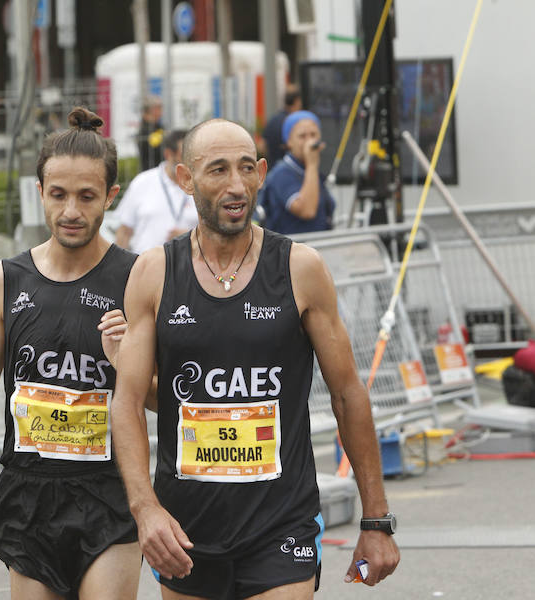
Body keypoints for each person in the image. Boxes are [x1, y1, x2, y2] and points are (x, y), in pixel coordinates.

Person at [111, 118, 399, 599]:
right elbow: (128, 401)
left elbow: (348, 394)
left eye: (246, 169)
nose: (236, 185)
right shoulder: (155, 271)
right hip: (187, 528)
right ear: (185, 179)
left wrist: (376, 519)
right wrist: (146, 509)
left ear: (262, 172)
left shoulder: (300, 268)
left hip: (280, 523)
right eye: (218, 170)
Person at [0, 107, 142, 599]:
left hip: (109, 493)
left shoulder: (138, 279)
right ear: (39, 194)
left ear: (110, 197)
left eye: (86, 196)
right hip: (28, 494)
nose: (71, 210)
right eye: (58, 195)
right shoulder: (5, 282)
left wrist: (126, 363)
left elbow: (166, 397)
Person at [115, 129, 198, 254]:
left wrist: (191, 236)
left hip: (192, 269)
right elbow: (124, 231)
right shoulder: (142, 183)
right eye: (184, 155)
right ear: (168, 154)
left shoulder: (201, 185)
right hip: (145, 268)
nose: (189, 161)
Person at [260, 110, 336, 235]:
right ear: (289, 141)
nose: (309, 142)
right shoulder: (281, 174)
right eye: (302, 136)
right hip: (292, 251)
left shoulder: (310, 172)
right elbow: (307, 210)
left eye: (313, 135)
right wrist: (312, 164)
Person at [261, 84, 302, 170]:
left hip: (272, 169)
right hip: (291, 171)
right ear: (297, 101)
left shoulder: (273, 120)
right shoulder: (296, 124)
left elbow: (262, 146)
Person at [137, 95, 165, 171]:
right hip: (150, 171)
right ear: (152, 110)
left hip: (161, 170)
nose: (161, 112)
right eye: (159, 108)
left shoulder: (159, 127)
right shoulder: (144, 131)